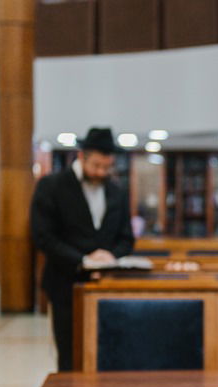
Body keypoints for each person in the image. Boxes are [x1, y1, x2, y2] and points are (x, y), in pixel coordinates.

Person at [31, 127, 134, 371]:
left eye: (107, 167)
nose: (101, 172)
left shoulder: (117, 192)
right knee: (70, 357)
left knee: (108, 355)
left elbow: (126, 238)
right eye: (96, 165)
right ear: (82, 156)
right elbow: (44, 237)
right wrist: (83, 259)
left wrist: (110, 256)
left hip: (108, 285)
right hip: (66, 283)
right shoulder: (52, 186)